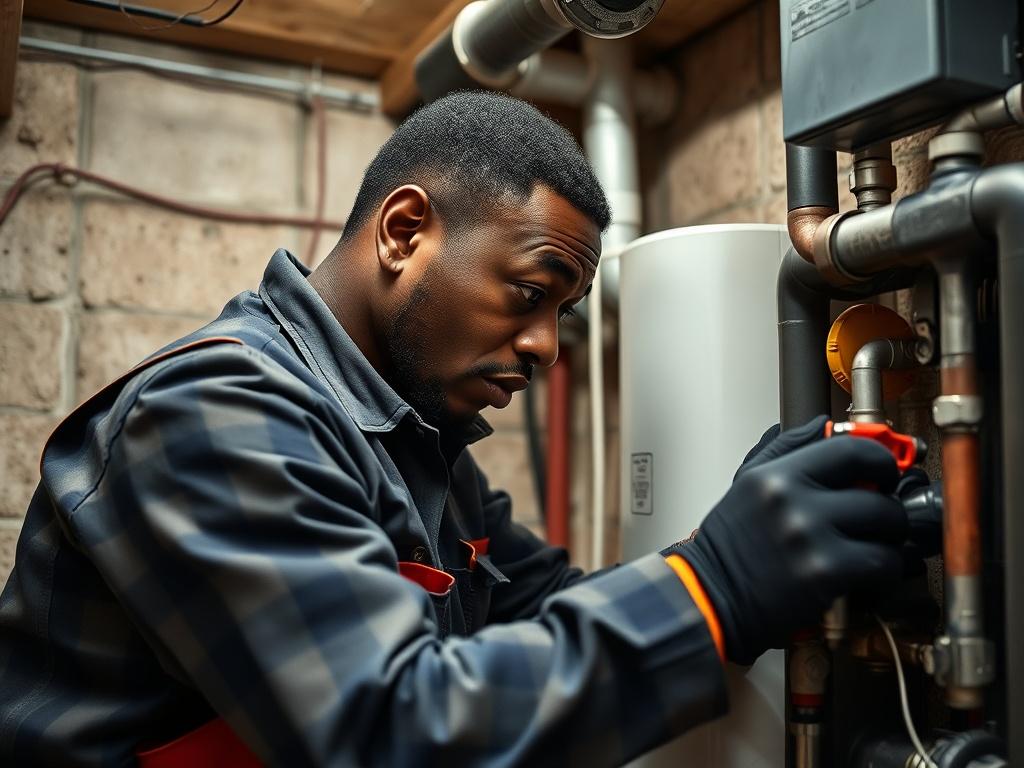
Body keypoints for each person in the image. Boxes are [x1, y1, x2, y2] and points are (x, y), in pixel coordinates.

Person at [0, 91, 916, 767]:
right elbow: (386, 730)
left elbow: (547, 610)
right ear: (404, 230)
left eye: (563, 312)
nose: (546, 348)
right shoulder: (216, 415)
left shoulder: (418, 447)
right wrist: (716, 584)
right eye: (530, 294)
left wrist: (752, 540)